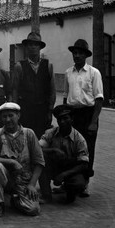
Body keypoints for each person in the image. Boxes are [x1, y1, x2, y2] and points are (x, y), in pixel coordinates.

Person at [0, 102, 44, 218]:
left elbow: (40, 162)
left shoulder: (29, 134)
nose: (7, 119)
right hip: (6, 179)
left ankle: (16, 200)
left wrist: (32, 184)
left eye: (11, 115)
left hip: (24, 180)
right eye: (4, 116)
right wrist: (12, 162)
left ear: (18, 115)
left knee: (33, 210)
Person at [63, 39, 103, 197]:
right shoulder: (68, 73)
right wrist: (64, 116)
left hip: (88, 114)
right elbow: (66, 96)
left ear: (86, 55)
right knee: (69, 149)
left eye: (80, 53)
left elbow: (99, 99)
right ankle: (69, 182)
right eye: (75, 52)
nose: (77, 55)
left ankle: (85, 183)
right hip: (72, 115)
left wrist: (93, 122)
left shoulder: (94, 73)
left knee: (87, 149)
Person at [39, 104, 89, 204]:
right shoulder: (51, 133)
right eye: (59, 119)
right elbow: (37, 148)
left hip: (70, 169)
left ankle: (69, 191)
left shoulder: (79, 139)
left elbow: (84, 164)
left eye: (65, 118)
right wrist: (53, 150)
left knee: (78, 184)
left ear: (72, 119)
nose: (62, 122)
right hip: (54, 167)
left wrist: (64, 174)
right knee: (40, 159)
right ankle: (46, 195)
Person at [12, 32, 56, 139]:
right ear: (26, 47)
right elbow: (14, 91)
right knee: (25, 139)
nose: (33, 47)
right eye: (30, 44)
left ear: (40, 47)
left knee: (42, 140)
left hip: (43, 111)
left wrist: (50, 111)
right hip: (25, 111)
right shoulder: (19, 66)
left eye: (36, 44)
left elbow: (52, 90)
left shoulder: (48, 66)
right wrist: (16, 112)